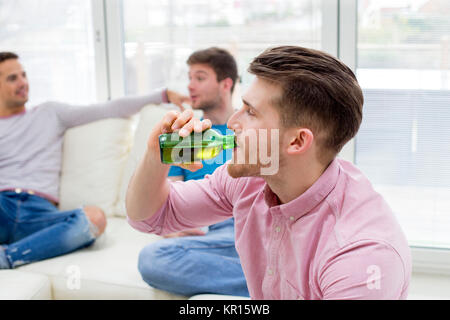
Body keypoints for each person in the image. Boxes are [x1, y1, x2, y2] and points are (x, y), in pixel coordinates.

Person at [126, 46, 412, 299]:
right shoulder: (250, 179)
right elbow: (150, 217)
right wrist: (156, 155)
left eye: (250, 112)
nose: (232, 122)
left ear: (297, 141)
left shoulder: (360, 256)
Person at [0, 51, 188, 269]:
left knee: (94, 218)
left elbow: (110, 108)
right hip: (3, 204)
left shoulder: (50, 113)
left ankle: (8, 258)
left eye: (24, 75)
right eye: (12, 78)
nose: (23, 82)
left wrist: (162, 95)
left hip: (40, 212)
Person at [137, 47, 249, 297]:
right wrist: (175, 228)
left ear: (225, 84)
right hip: (211, 229)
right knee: (152, 259)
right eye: (189, 78)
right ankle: (278, 282)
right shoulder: (185, 136)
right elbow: (167, 198)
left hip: (250, 219)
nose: (190, 86)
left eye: (199, 78)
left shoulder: (249, 130)